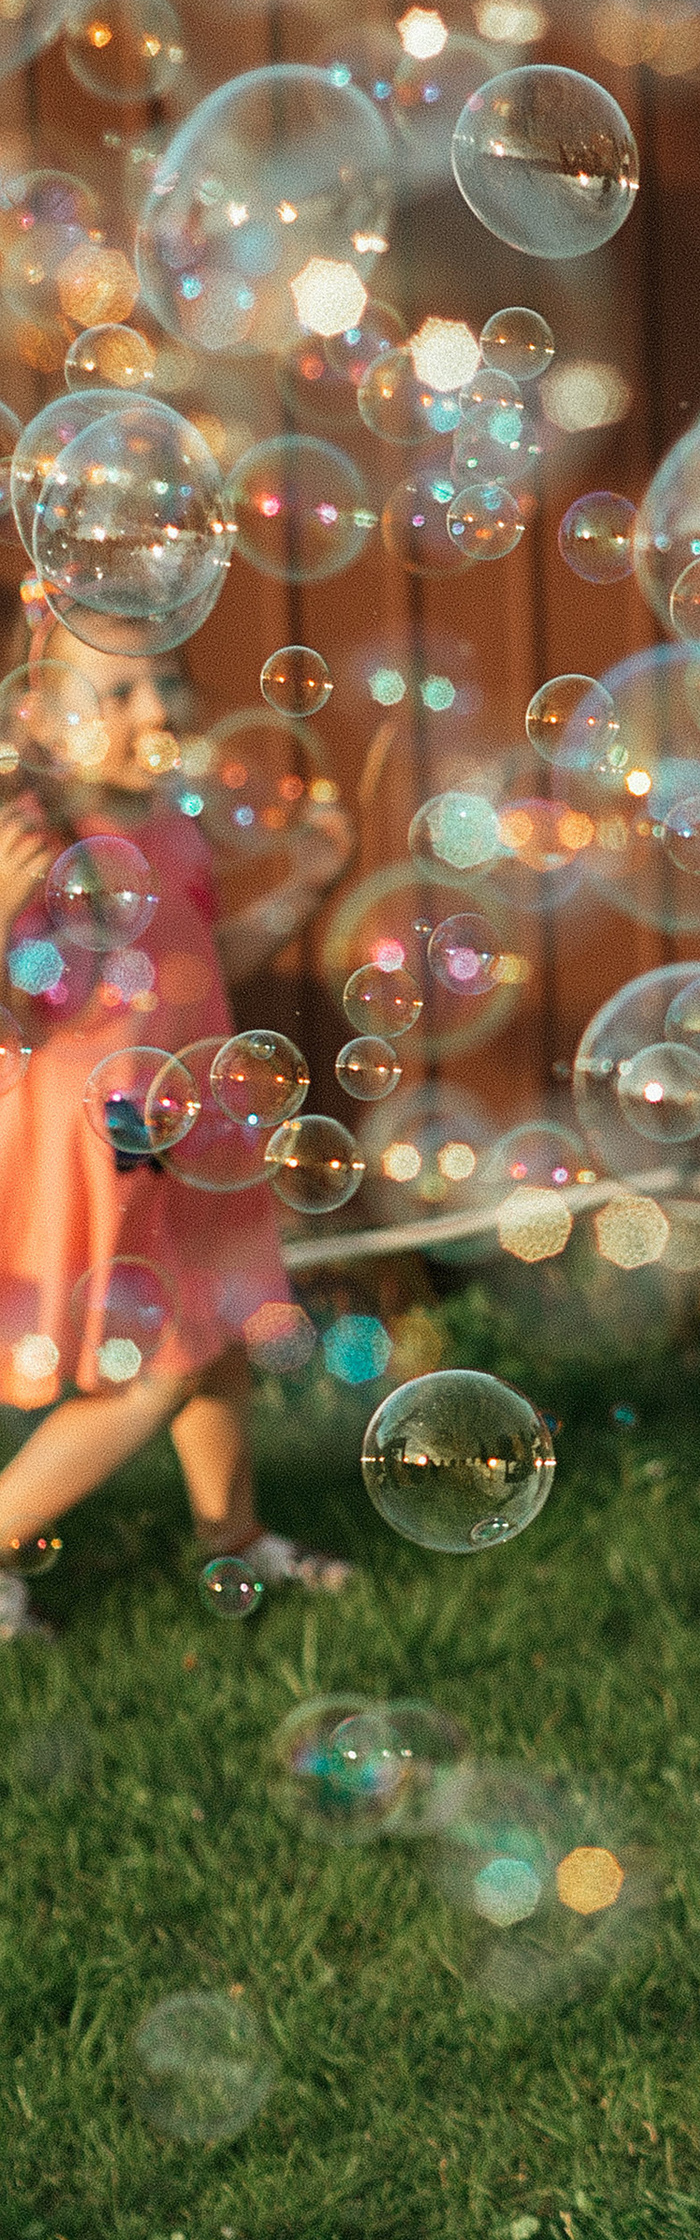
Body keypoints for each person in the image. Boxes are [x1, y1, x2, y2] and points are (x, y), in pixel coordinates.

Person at [0, 614, 354, 1638]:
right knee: (148, 1374)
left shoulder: (167, 822)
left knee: (221, 1335)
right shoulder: (31, 839)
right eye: (116, 694)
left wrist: (304, 891)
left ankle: (233, 1537)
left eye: (165, 685)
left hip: (190, 1118)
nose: (153, 709)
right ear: (46, 715)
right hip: (106, 1139)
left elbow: (199, 960)